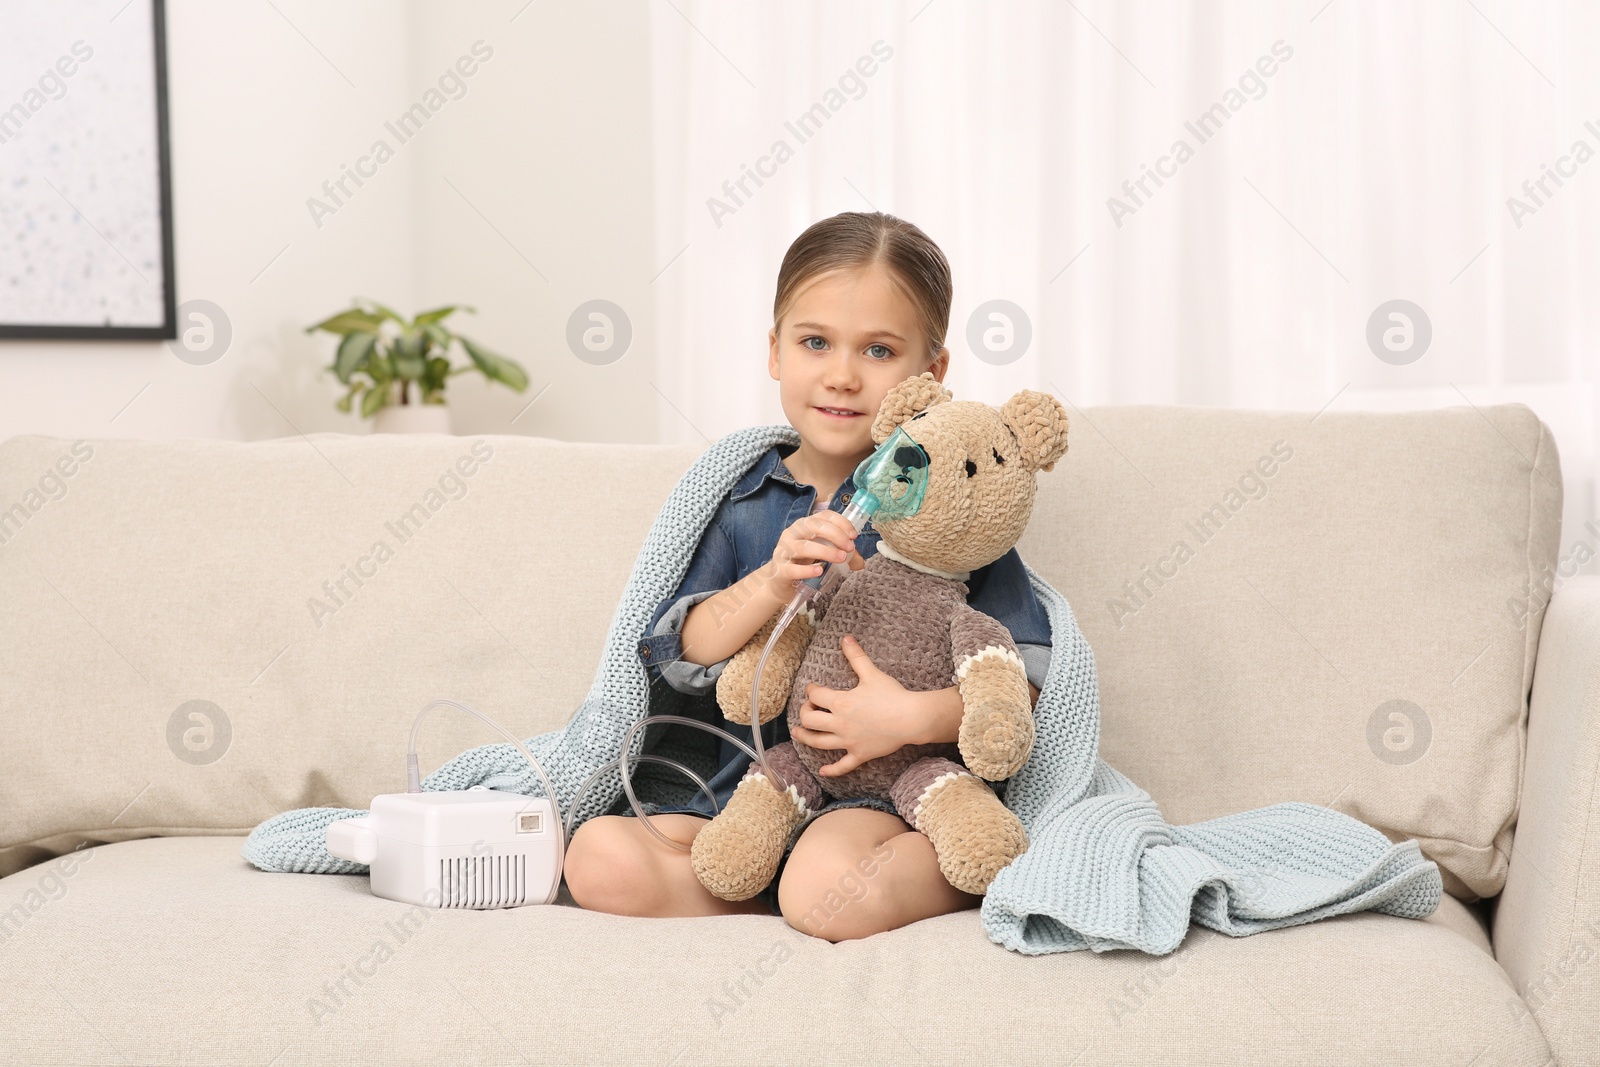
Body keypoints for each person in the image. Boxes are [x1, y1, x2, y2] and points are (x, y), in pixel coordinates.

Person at [562, 211, 1052, 941]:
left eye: (879, 350)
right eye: (815, 342)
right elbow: (681, 647)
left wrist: (910, 717)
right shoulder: (742, 495)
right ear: (775, 350)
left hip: (877, 796)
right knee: (598, 858)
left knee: (827, 884)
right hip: (739, 788)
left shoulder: (950, 503)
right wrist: (770, 584)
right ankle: (768, 883)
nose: (843, 374)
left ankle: (964, 861)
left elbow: (1026, 677)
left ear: (932, 373)